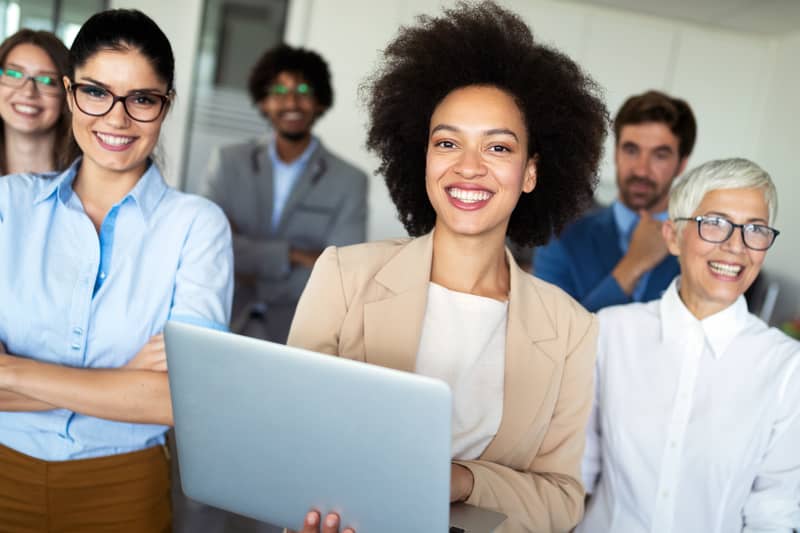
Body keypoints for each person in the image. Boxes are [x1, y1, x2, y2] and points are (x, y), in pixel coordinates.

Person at [285, 2, 607, 532]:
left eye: (498, 146)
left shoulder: (572, 329)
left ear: (530, 173)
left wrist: (462, 479)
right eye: (448, 142)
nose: (469, 166)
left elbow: (561, 499)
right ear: (425, 158)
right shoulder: (345, 276)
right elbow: (289, 437)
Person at [0, 9, 233, 532]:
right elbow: (149, 394)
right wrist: (124, 382)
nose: (116, 118)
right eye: (96, 92)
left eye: (142, 99)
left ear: (165, 105)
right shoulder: (7, 205)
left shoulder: (197, 226)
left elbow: (178, 401)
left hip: (123, 488)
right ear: (70, 91)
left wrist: (11, 371)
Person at [579, 158, 800, 532]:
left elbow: (773, 513)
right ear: (673, 237)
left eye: (756, 229)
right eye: (714, 224)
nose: (736, 247)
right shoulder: (611, 333)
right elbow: (577, 473)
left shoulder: (786, 366)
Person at [203, 44, 367, 345]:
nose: (291, 101)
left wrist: (250, 266)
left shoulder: (350, 181)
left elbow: (341, 277)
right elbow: (210, 249)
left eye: (303, 90)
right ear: (263, 102)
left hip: (301, 334)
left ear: (319, 102)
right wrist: (291, 255)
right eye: (279, 90)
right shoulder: (228, 162)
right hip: (223, 321)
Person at [534, 90, 697, 312]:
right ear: (616, 153)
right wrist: (633, 265)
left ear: (681, 164)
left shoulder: (698, 247)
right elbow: (550, 335)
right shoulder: (563, 238)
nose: (641, 169)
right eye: (631, 150)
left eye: (660, 155)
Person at [0, 28, 79, 174]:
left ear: (67, 96)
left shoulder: (86, 184)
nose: (28, 92)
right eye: (14, 74)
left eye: (47, 81)